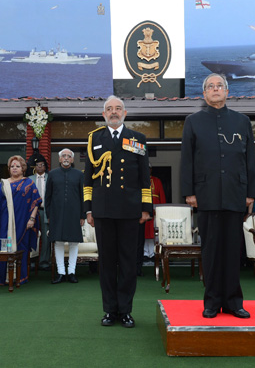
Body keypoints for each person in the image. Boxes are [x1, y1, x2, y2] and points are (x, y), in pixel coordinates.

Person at [180, 73, 255, 319]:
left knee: (234, 251)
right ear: (204, 94)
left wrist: (249, 193)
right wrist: (189, 192)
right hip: (206, 195)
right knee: (211, 251)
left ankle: (234, 302)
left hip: (236, 194)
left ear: (227, 92)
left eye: (219, 86)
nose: (215, 89)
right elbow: (187, 159)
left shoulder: (242, 121)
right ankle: (212, 302)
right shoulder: (193, 121)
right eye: (210, 87)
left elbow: (249, 159)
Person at [84, 95, 152, 328]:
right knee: (107, 263)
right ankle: (110, 310)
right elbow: (88, 179)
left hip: (129, 210)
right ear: (103, 115)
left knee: (128, 262)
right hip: (102, 211)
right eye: (109, 109)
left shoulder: (137, 138)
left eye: (118, 108)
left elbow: (145, 177)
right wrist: (89, 209)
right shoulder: (95, 139)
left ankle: (126, 310)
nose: (114, 112)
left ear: (125, 113)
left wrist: (145, 208)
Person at [0, 155, 41, 285]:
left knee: (21, 248)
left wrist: (32, 218)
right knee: (4, 248)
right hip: (5, 221)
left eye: (17, 166)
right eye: (12, 166)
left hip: (23, 221)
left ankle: (20, 277)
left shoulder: (29, 183)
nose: (14, 168)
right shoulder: (4, 183)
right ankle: (4, 278)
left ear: (23, 169)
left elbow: (36, 202)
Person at [45, 148, 85, 284]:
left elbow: (82, 196)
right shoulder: (52, 174)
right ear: (60, 159)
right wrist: (49, 215)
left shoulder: (79, 175)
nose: (66, 158)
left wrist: (82, 215)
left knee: (74, 243)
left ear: (73, 160)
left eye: (69, 156)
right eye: (64, 156)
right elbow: (48, 196)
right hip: (56, 213)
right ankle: (61, 272)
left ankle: (72, 272)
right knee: (58, 242)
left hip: (74, 213)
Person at [138, 163, 166, 274]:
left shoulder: (157, 180)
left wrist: (162, 209)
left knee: (154, 232)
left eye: (148, 169)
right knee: (143, 234)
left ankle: (154, 253)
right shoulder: (138, 180)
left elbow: (161, 195)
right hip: (142, 210)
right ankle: (145, 253)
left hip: (155, 210)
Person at [29, 156, 51, 271]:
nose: (40, 167)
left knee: (46, 238)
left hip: (45, 211)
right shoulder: (29, 179)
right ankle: (32, 261)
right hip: (33, 213)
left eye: (42, 165)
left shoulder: (50, 178)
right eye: (38, 165)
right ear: (35, 167)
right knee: (33, 235)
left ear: (45, 167)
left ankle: (44, 262)